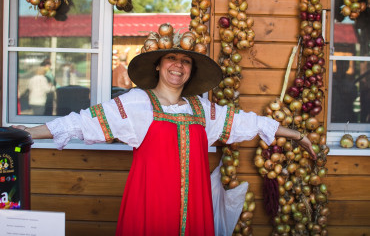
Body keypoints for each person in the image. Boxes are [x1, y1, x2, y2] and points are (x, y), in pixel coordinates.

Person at [13, 46, 316, 236]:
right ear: (158, 65)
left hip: (195, 208)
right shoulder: (136, 103)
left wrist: (297, 135)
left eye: (185, 61)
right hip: (151, 205)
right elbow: (80, 123)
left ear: (190, 71)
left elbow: (250, 123)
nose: (178, 65)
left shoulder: (203, 109)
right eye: (172, 58)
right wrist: (25, 133)